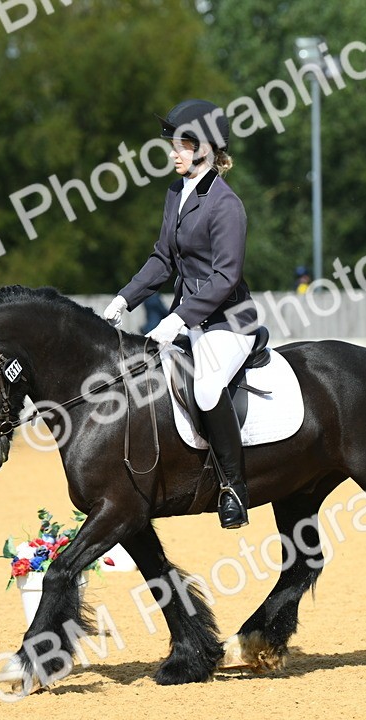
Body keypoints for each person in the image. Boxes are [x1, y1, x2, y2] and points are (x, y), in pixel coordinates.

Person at [102, 99, 257, 529]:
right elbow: (163, 260)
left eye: (183, 144)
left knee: (207, 389)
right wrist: (124, 299)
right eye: (174, 143)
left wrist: (178, 318)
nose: (174, 151)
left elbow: (225, 277)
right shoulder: (176, 193)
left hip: (229, 322)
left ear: (207, 148)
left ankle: (234, 489)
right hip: (189, 321)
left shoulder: (226, 205)